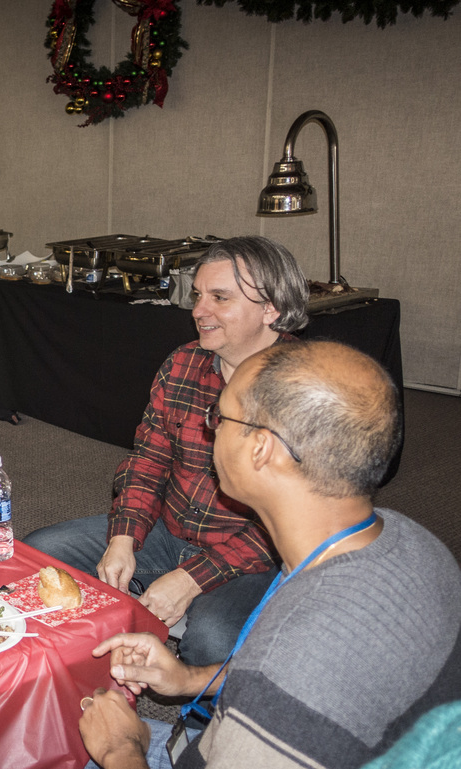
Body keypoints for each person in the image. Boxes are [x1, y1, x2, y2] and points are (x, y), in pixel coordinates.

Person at [77, 340, 461, 769]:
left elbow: (284, 686)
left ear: (261, 448)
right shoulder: (409, 541)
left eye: (218, 417)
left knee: (63, 745)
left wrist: (120, 750)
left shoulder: (292, 664)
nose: (210, 430)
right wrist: (190, 678)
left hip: (247, 745)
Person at [23, 236, 308, 666]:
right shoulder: (183, 362)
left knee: (213, 641)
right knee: (39, 554)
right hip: (169, 530)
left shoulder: (309, 387)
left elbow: (295, 519)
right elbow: (148, 460)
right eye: (198, 295)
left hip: (253, 556)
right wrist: (123, 538)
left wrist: (191, 580)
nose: (198, 311)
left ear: (271, 308)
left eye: (219, 298)